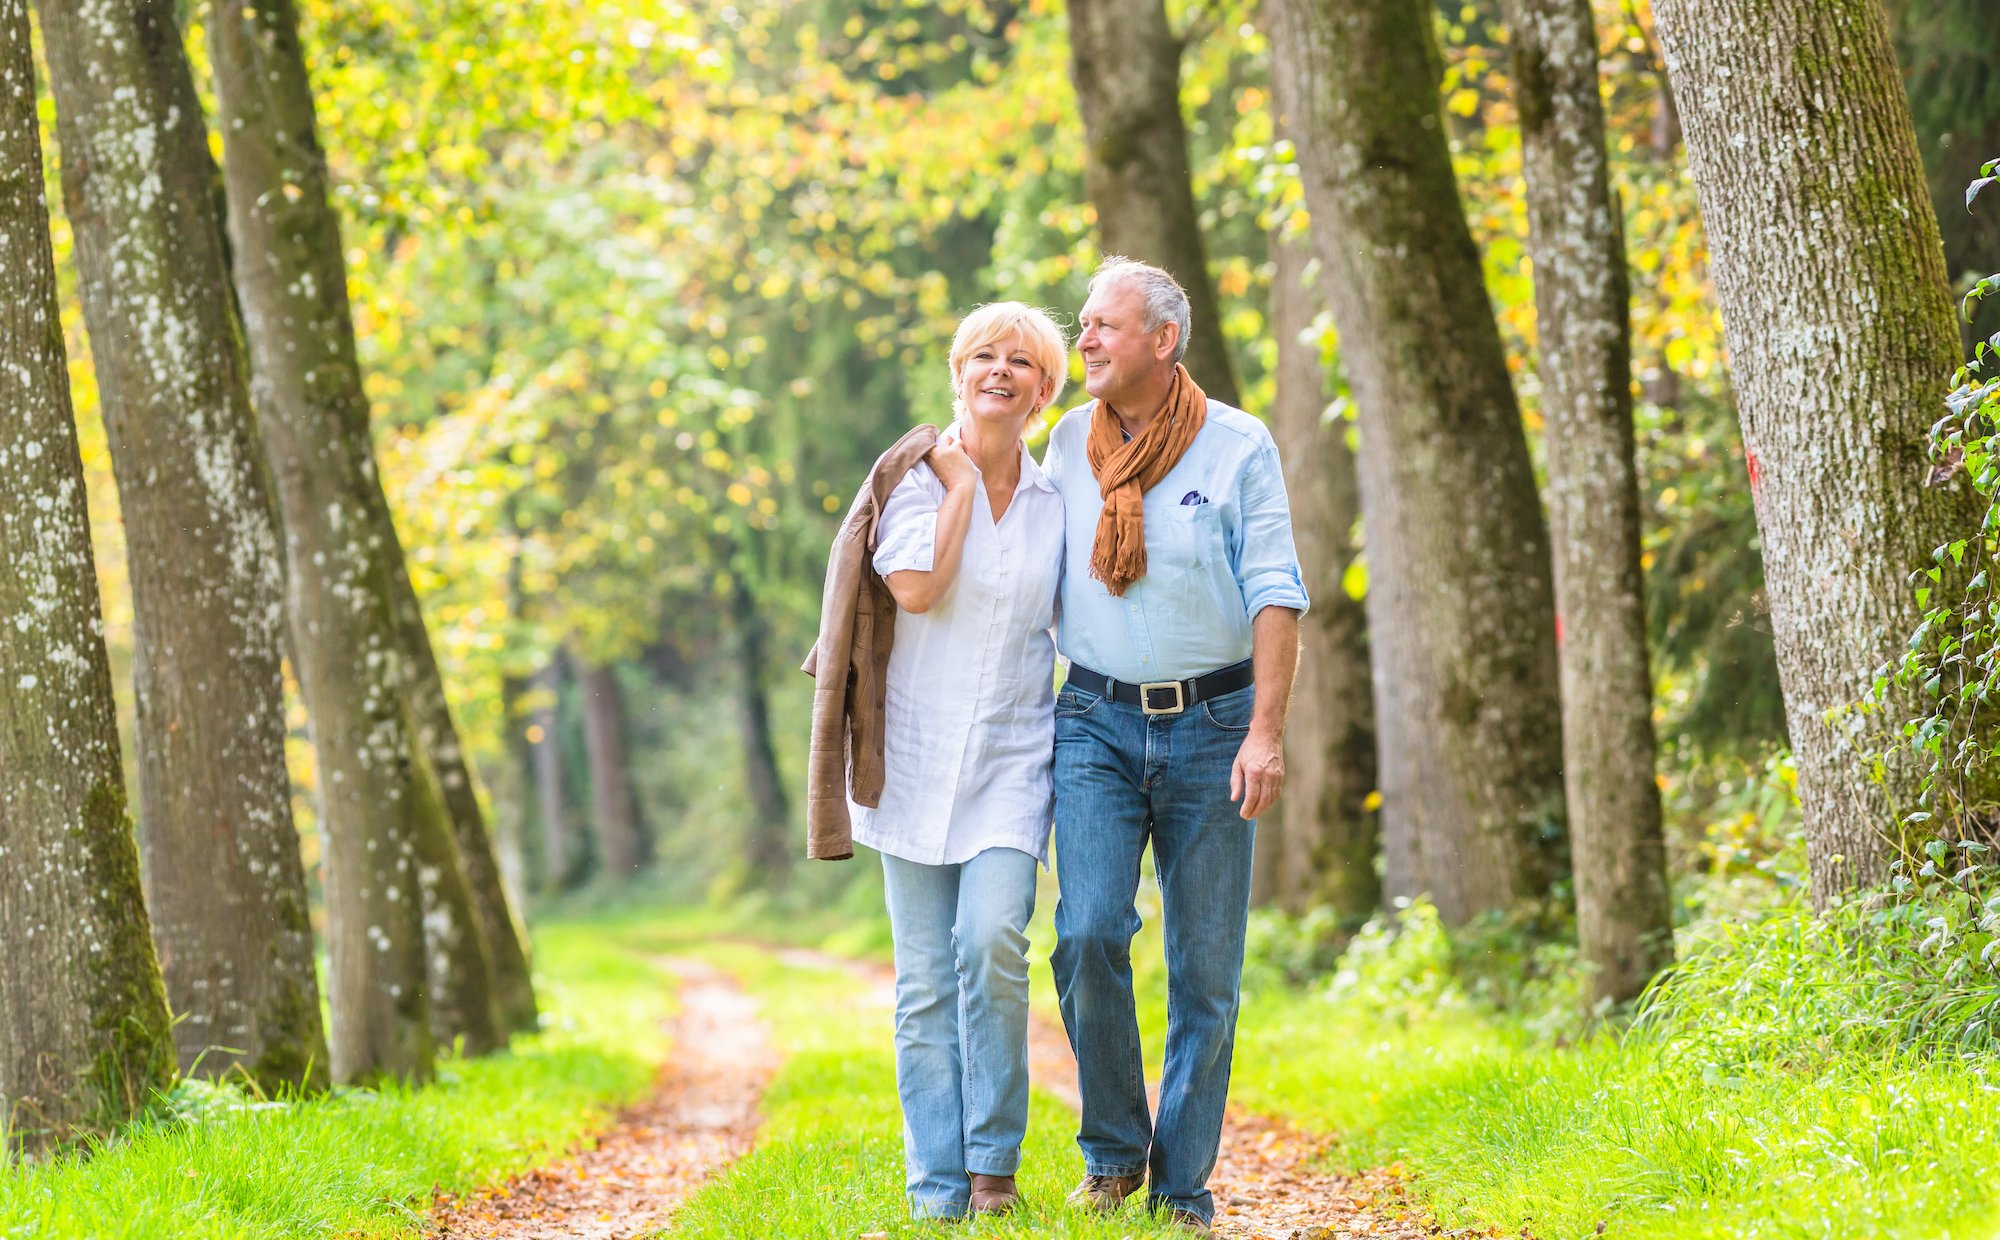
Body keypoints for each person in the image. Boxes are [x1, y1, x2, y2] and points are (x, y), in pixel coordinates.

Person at [1041, 258, 1308, 1233]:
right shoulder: (1064, 446)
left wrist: (1263, 733)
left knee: (1205, 973)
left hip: (1211, 729)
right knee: (1086, 933)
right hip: (1094, 724)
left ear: (1162, 339)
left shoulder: (1238, 446)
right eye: (1083, 326)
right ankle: (1113, 1150)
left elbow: (1276, 591)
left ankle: (1180, 1187)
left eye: (1105, 327)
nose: (1086, 343)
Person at [849, 302, 1070, 1220]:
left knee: (991, 945)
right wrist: (958, 492)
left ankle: (994, 1164)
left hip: (1014, 759)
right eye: (984, 355)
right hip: (914, 756)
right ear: (957, 371)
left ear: (1046, 391)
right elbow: (917, 587)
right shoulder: (911, 484)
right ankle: (937, 1191)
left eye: (1022, 361)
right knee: (926, 982)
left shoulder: (1060, 502)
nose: (1001, 371)